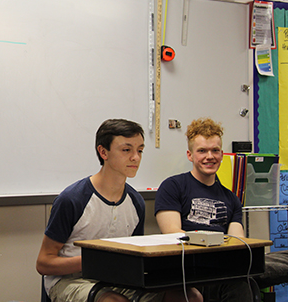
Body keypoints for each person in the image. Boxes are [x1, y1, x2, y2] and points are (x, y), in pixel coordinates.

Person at [36, 119, 202, 302]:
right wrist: (95, 262)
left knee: (189, 297)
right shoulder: (72, 199)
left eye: (140, 151)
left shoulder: (135, 202)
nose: (136, 158)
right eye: (126, 150)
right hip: (70, 282)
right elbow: (44, 263)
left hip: (114, 280)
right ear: (103, 152)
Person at [154, 117, 251, 301]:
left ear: (222, 155)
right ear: (190, 155)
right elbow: (173, 234)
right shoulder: (173, 187)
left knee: (241, 284)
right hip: (185, 272)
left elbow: (238, 241)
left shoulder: (231, 199)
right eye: (202, 151)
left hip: (221, 271)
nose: (210, 156)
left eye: (215, 150)